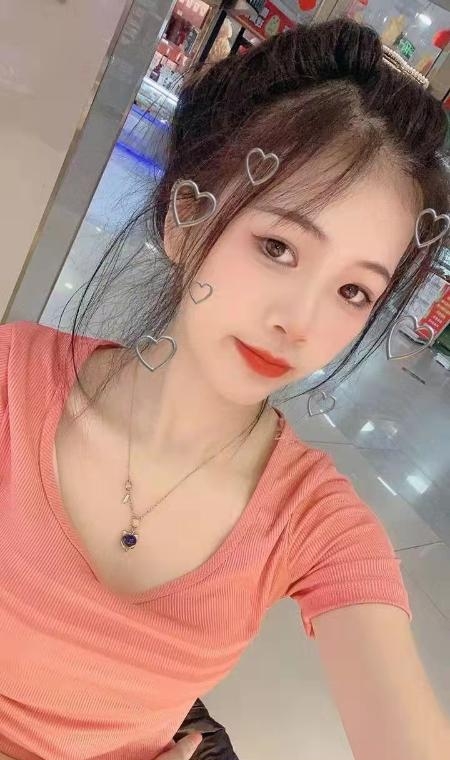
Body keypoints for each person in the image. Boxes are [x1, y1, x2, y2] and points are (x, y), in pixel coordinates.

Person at [1, 17, 449, 760]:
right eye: (278, 247)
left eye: (353, 292)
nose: (298, 322)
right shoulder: (14, 382)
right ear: (185, 219)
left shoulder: (315, 523)